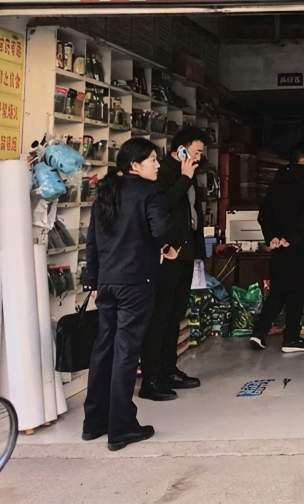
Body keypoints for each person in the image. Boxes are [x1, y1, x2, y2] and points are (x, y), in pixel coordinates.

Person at [81, 138, 177, 451]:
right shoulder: (150, 192)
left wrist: (92, 279)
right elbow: (161, 228)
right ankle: (121, 427)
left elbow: (93, 240)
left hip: (108, 282)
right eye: (152, 160)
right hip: (136, 282)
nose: (158, 165)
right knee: (126, 352)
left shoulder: (106, 192)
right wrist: (170, 245)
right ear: (135, 165)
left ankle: (94, 422)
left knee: (104, 349)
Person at [139, 128, 207, 401]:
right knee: (160, 316)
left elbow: (192, 214)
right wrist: (185, 178)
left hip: (185, 252)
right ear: (181, 149)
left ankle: (168, 370)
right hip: (166, 254)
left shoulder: (188, 173)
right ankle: (151, 377)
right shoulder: (164, 172)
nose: (199, 157)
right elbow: (163, 204)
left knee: (176, 313)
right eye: (196, 151)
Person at [249, 143, 304, 353]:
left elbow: (264, 213)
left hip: (279, 245)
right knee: (298, 291)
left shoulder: (277, 180)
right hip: (301, 244)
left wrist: (272, 238)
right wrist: (293, 238)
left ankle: (258, 333)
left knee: (279, 290)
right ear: (302, 158)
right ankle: (291, 339)